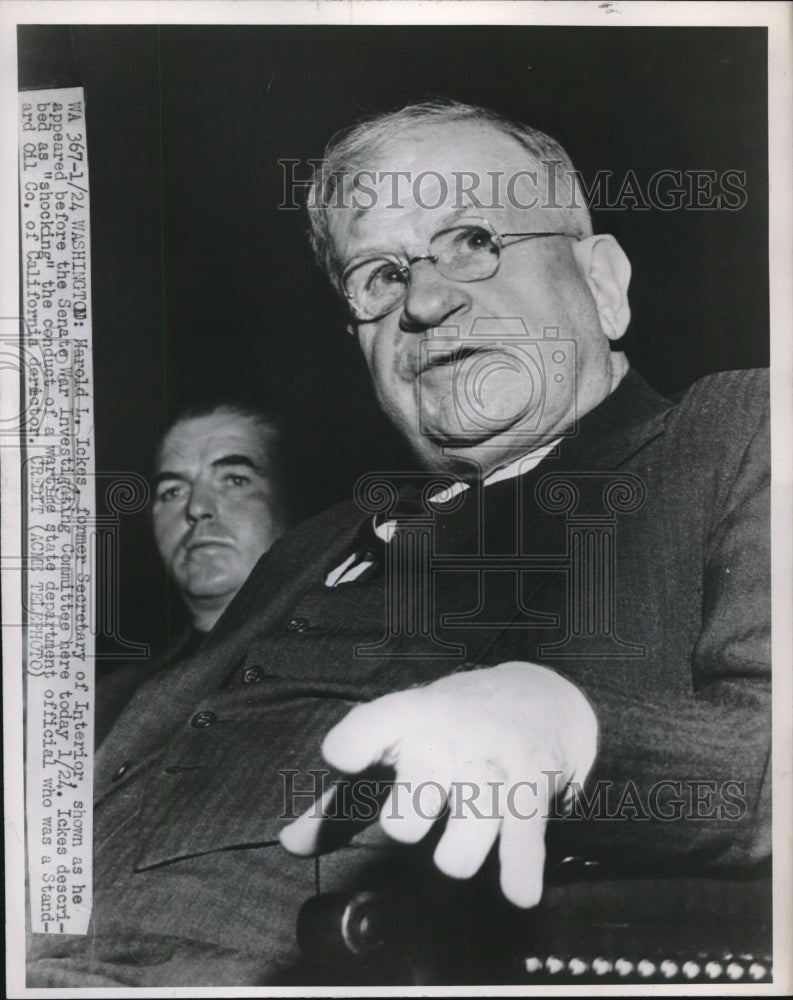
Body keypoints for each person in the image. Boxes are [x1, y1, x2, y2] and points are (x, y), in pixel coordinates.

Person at [27, 100, 770, 987]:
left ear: (601, 283)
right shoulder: (312, 542)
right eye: (379, 274)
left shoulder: (733, 431)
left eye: (472, 240)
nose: (423, 301)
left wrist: (565, 730)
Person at [95, 401, 290, 745]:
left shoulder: (343, 662)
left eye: (235, 479)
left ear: (289, 500)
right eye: (172, 491)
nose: (197, 507)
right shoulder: (104, 706)